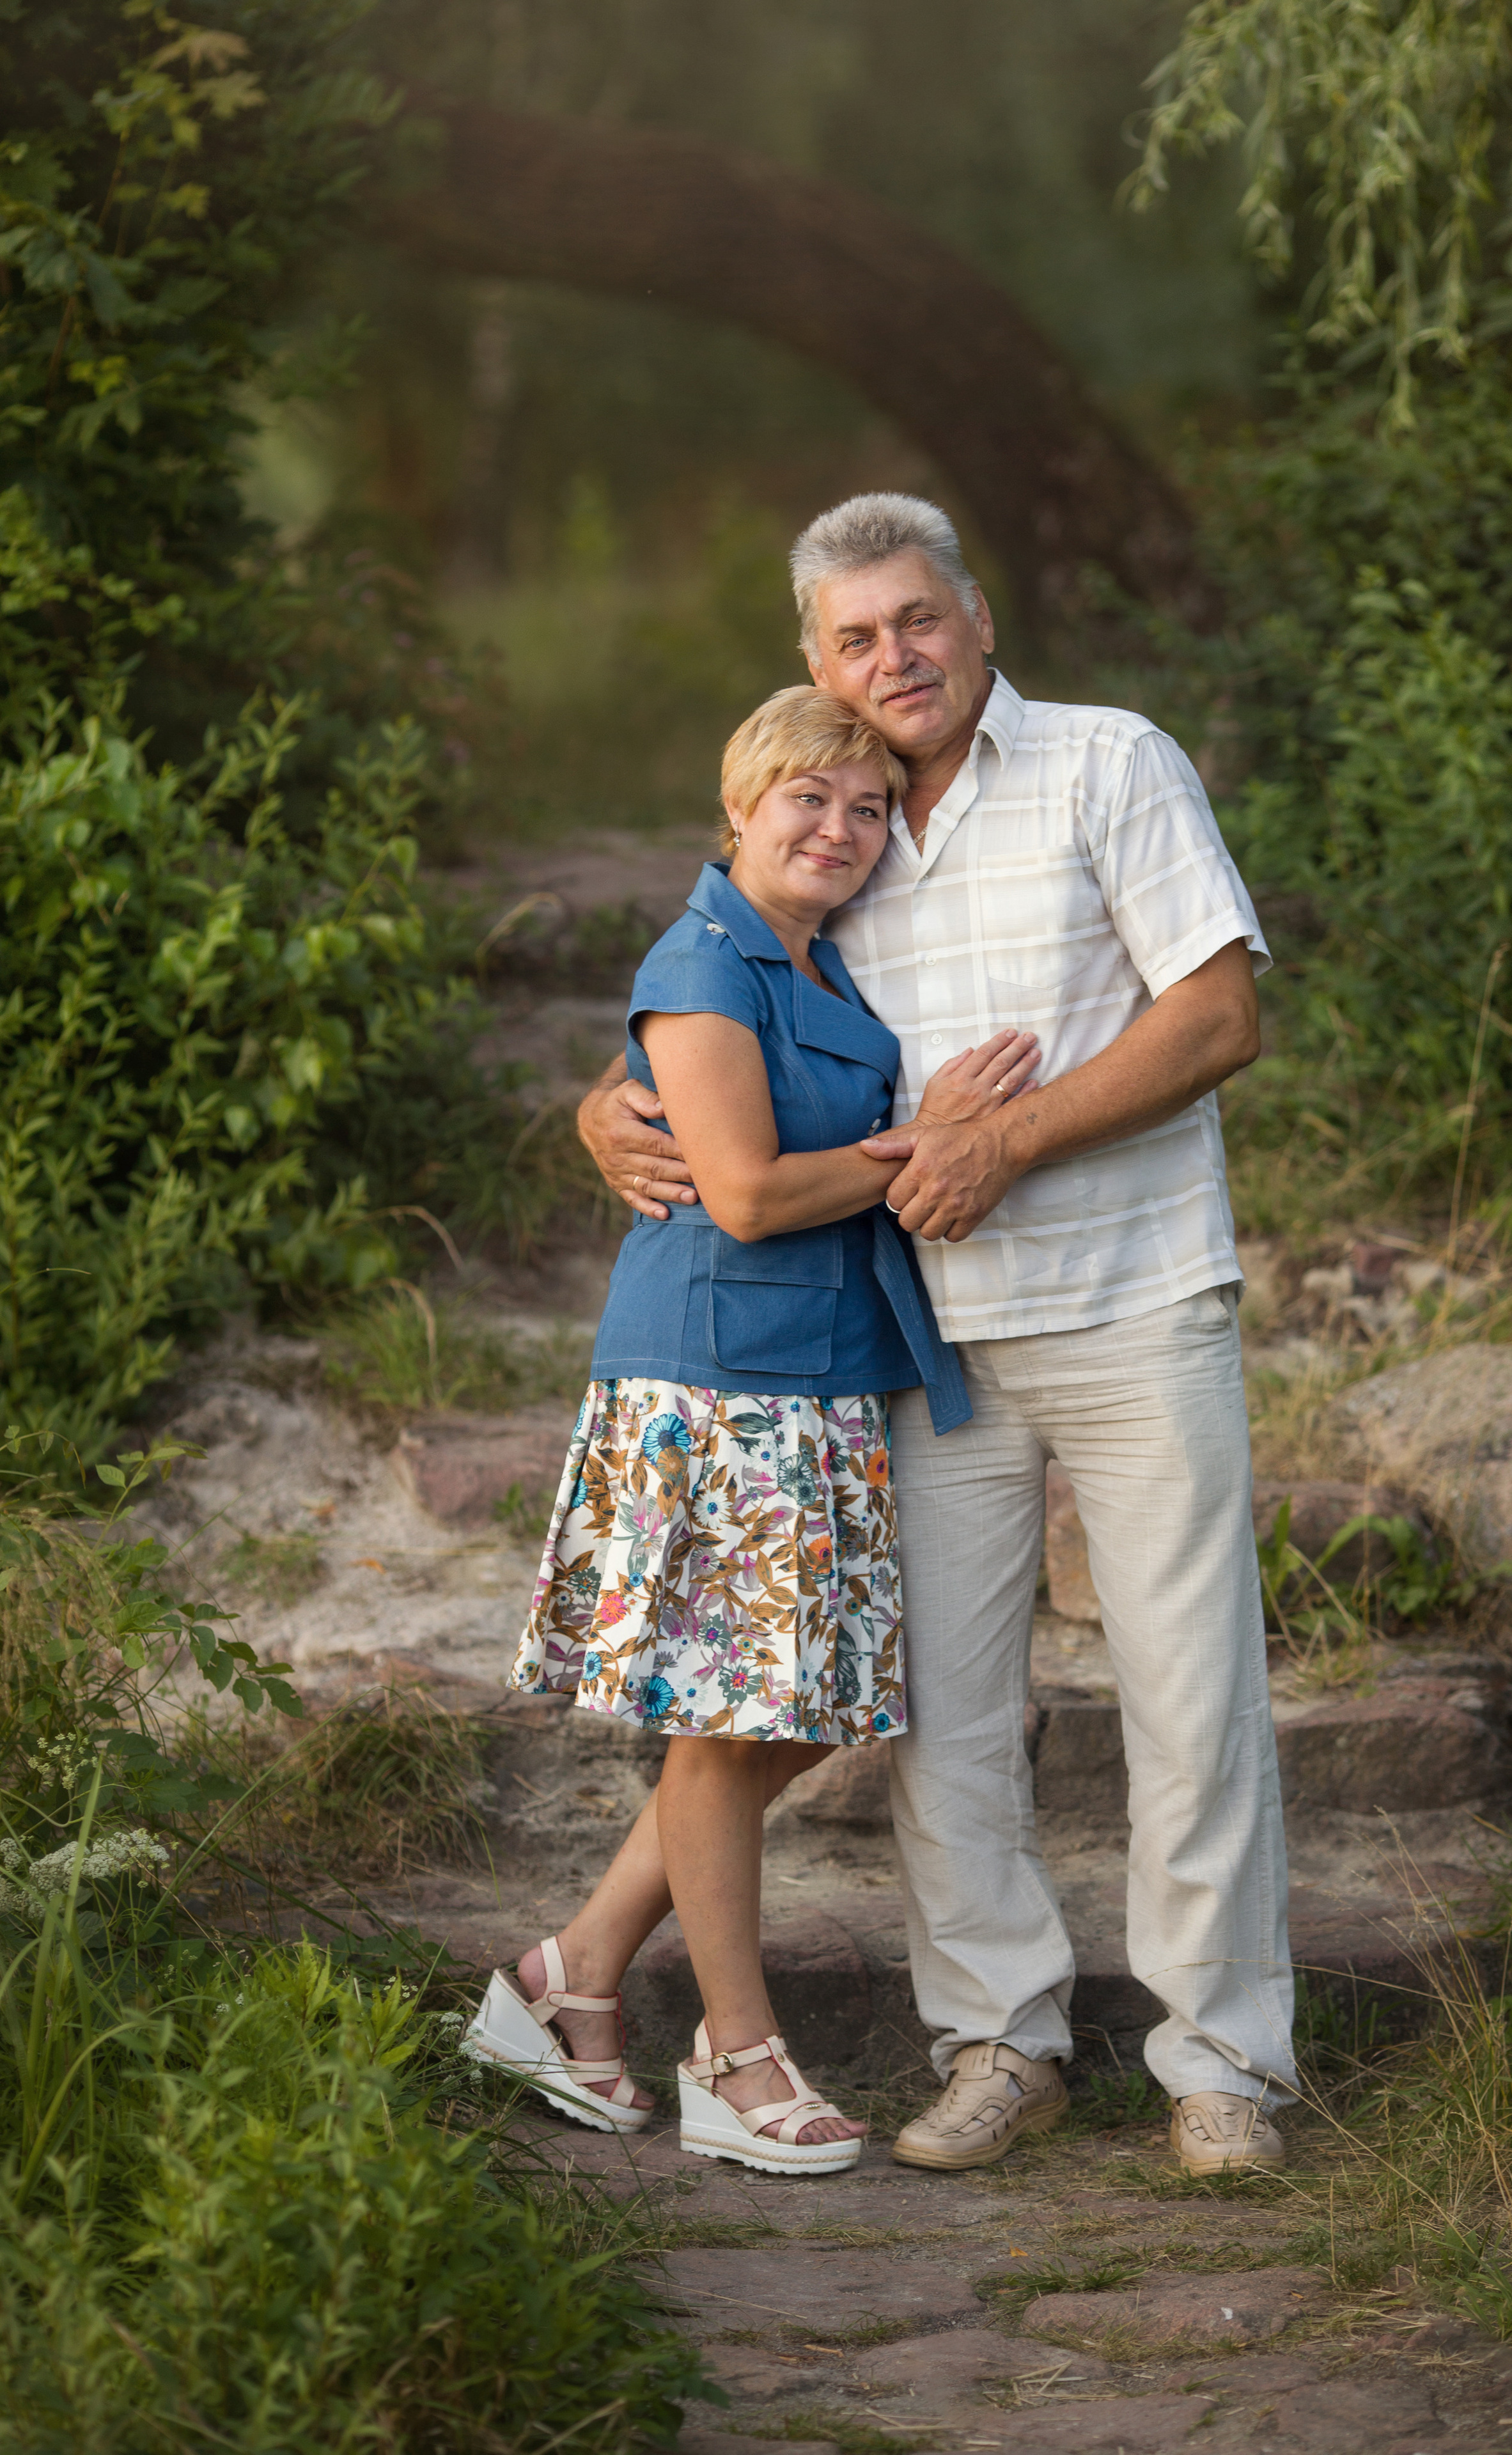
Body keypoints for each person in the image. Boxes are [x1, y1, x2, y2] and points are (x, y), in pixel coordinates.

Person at [578, 493, 1298, 2179]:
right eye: (854, 637)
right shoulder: (836, 814)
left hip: (1132, 1297)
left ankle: (1221, 2067)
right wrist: (600, 1104)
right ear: (814, 661)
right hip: (915, 1339)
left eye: (916, 619)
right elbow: (720, 992)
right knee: (949, 1722)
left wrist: (1005, 1141)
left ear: (977, 620)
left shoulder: (1109, 762)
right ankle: (998, 2042)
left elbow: (1217, 1016)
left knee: (1191, 1699)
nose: (891, 657)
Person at [464, 683, 1040, 2176]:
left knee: (784, 1719)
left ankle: (573, 1975)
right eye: (807, 799)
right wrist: (923, 1142)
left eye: (866, 808)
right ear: (737, 808)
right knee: (732, 1730)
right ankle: (735, 2055)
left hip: (818, 1374)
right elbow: (745, 1193)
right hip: (724, 1384)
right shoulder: (703, 960)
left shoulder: (820, 960)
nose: (839, 829)